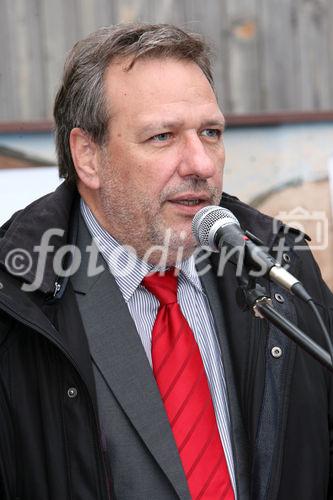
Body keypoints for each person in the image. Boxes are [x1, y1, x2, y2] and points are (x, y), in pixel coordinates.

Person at [0, 23, 332, 500]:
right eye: (162, 136)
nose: (200, 163)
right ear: (88, 155)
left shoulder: (279, 267)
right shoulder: (17, 302)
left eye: (211, 132)